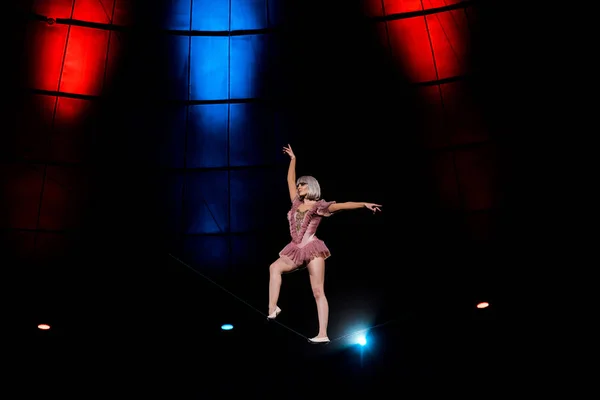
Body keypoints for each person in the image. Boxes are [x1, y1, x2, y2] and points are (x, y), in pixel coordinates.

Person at [267, 144, 382, 344]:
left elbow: (342, 206)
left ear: (310, 187)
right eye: (299, 185)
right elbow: (289, 180)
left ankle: (323, 333)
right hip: (295, 249)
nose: (299, 187)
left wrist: (363, 204)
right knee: (274, 267)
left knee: (318, 291)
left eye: (303, 185)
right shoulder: (295, 203)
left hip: (312, 249)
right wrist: (293, 159)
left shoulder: (319, 206)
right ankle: (273, 307)